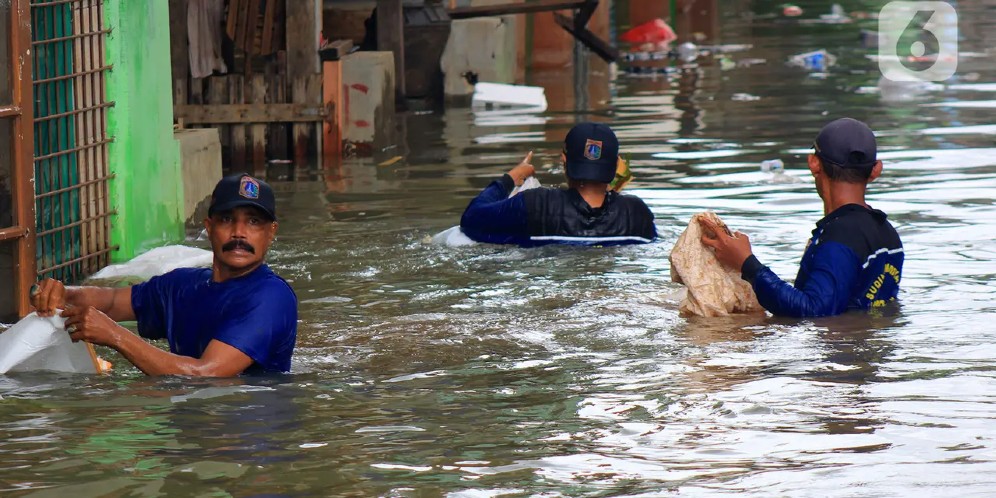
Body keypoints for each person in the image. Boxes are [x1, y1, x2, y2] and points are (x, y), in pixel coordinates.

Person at [30, 173, 297, 376]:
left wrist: (116, 336)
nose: (239, 233)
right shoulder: (181, 285)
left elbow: (207, 374)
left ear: (271, 232)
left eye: (253, 222)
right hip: (190, 435)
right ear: (209, 227)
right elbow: (110, 301)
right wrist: (63, 294)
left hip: (246, 440)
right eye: (227, 219)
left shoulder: (271, 298)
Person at [699, 118, 904, 317]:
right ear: (876, 170)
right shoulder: (888, 233)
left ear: (813, 163)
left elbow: (813, 310)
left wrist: (748, 265)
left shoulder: (840, 235)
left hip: (839, 351)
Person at [460, 122, 657, 246]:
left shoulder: (537, 204)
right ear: (615, 166)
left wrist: (511, 177)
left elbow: (471, 219)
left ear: (564, 161)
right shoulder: (636, 213)